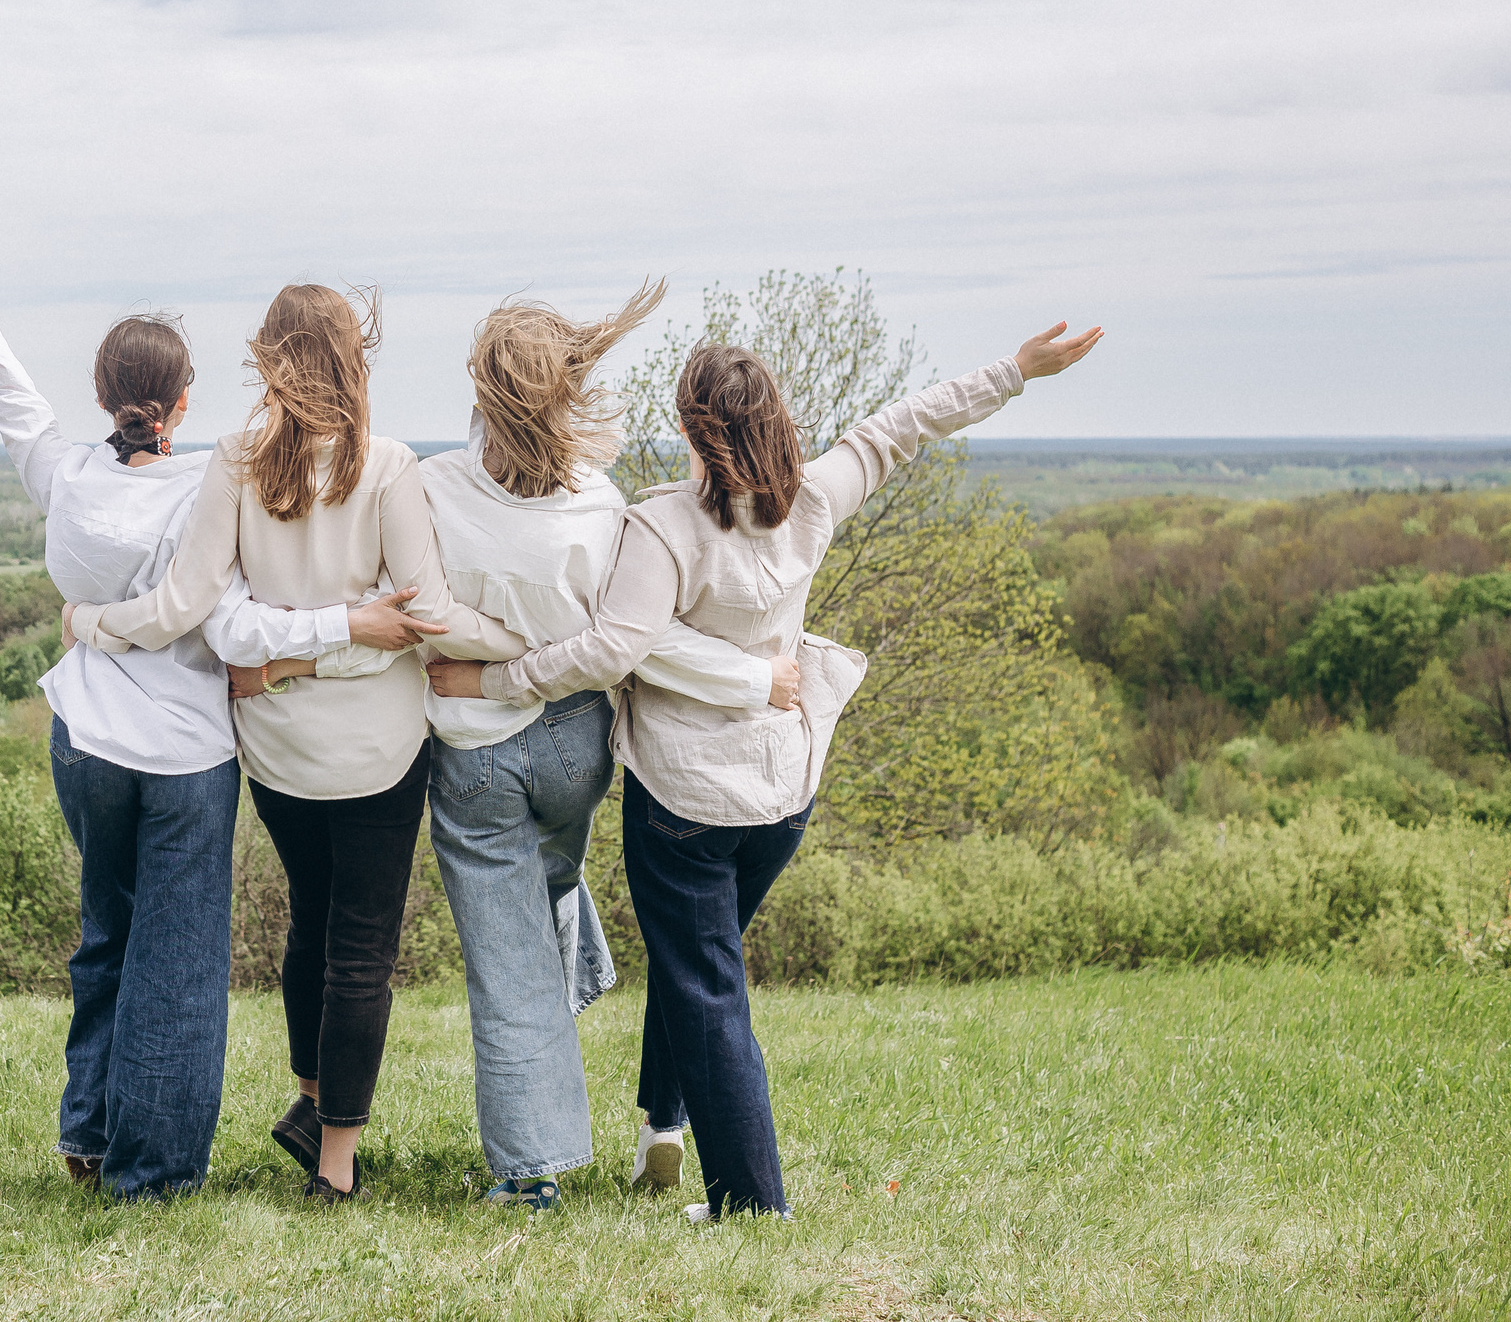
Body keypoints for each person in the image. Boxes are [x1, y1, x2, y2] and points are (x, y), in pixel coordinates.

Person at [429, 320, 1103, 1221]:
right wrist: (1016, 369)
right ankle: (662, 1122)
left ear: (693, 425)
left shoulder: (661, 527)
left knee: (707, 986)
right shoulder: (814, 500)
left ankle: (752, 1202)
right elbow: (902, 426)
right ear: (776, 419)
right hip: (784, 795)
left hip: (684, 803)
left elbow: (608, 650)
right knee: (696, 960)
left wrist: (495, 677)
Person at [0, 157, 434, 1201]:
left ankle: (88, 1132)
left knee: (105, 937)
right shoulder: (218, 472)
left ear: (100, 396)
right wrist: (348, 615)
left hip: (83, 743)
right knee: (178, 966)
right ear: (184, 400)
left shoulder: (65, 470)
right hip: (187, 755)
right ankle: (153, 1169)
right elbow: (225, 614)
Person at [245, 284, 800, 1211]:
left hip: (481, 754)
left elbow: (420, 614)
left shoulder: (433, 485)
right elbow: (624, 637)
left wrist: (491, 661)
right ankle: (567, 990)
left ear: (486, 394)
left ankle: (529, 1170)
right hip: (578, 749)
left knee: (506, 971)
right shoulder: (606, 502)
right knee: (542, 893)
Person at [63, 284, 528, 1204]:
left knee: (310, 919)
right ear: (356, 359)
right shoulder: (389, 465)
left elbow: (190, 611)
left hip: (276, 754)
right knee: (361, 946)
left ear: (268, 358)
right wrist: (526, 644)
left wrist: (91, 620)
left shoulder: (233, 461)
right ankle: (336, 1167)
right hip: (380, 753)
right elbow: (425, 615)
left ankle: (312, 1099)